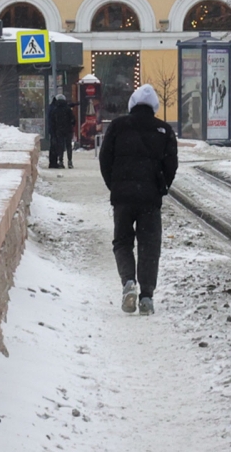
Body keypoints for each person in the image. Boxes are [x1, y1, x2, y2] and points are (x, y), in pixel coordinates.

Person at [99, 84, 178, 316]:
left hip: (123, 197)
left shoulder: (117, 126)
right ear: (154, 106)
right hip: (150, 199)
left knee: (122, 242)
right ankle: (146, 297)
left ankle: (128, 283)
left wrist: (114, 186)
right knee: (149, 246)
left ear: (132, 104)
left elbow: (105, 159)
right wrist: (161, 187)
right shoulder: (163, 130)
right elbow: (171, 165)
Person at [51, 94, 75, 169]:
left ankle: (60, 161)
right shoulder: (68, 109)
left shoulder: (55, 109)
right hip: (68, 130)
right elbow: (73, 119)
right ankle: (70, 161)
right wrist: (71, 125)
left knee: (60, 146)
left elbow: (53, 121)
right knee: (69, 146)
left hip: (59, 130)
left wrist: (54, 129)